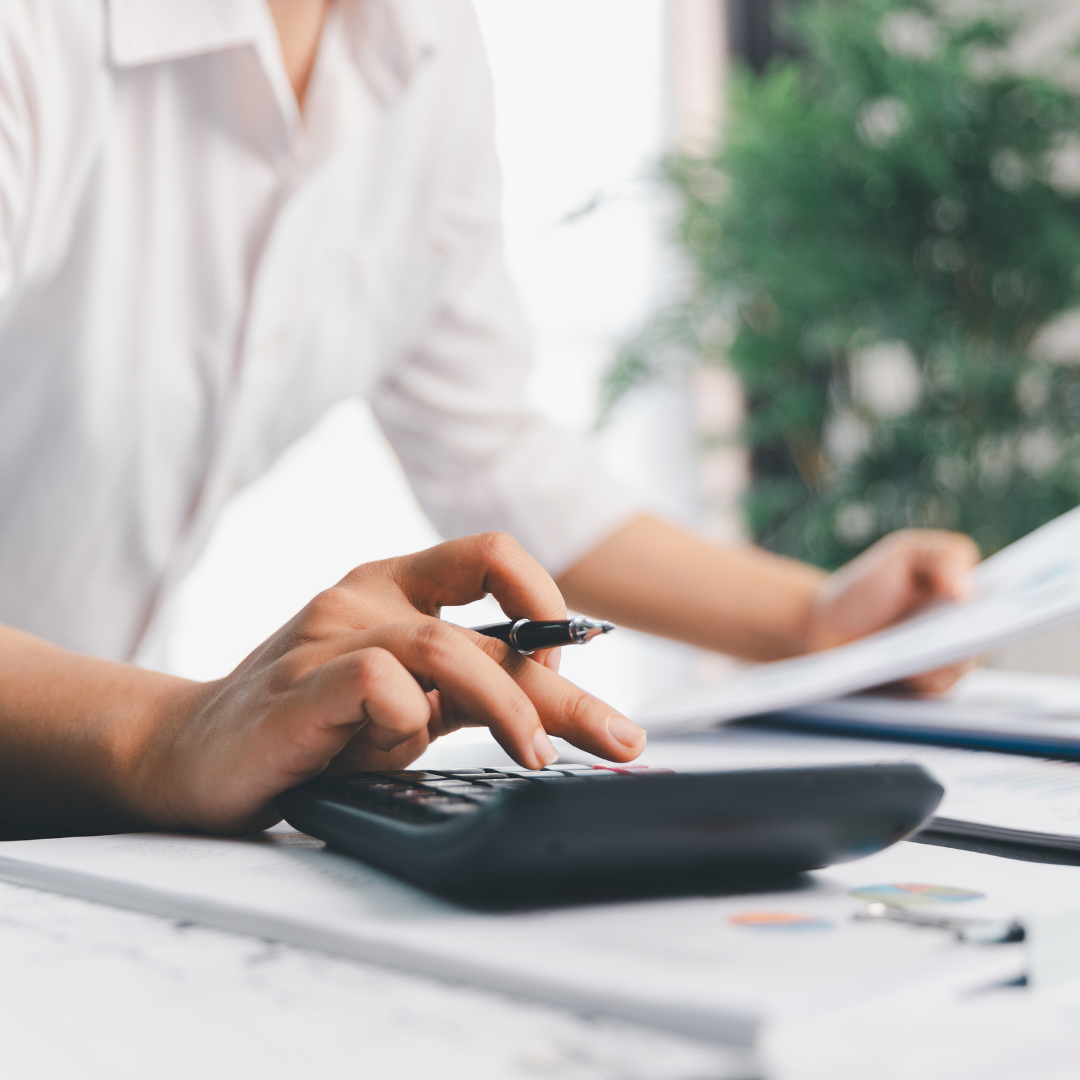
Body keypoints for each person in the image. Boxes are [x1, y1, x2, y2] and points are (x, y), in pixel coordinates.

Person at [0, 0, 978, 838]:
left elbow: (486, 442)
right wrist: (169, 734)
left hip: (75, 812)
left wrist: (810, 623)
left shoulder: (419, 46)